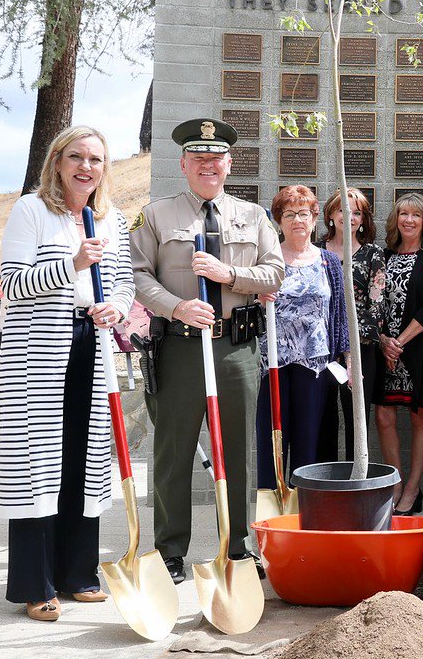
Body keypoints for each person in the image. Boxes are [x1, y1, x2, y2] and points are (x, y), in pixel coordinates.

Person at [130, 118, 284, 584]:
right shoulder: (157, 215)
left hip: (236, 347)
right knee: (174, 452)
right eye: (198, 158)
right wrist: (177, 307)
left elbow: (275, 273)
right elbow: (137, 275)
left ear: (229, 163)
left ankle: (237, 546)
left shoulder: (253, 216)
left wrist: (228, 275)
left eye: (215, 158)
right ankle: (170, 553)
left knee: (238, 452)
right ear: (183, 164)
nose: (207, 165)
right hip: (179, 347)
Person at [0, 125, 134, 621]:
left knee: (83, 459)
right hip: (39, 352)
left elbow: (121, 283)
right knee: (39, 464)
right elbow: (10, 283)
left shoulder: (110, 218)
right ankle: (36, 584)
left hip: (92, 347)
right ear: (57, 162)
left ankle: (79, 574)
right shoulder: (31, 210)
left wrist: (115, 309)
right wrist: (72, 264)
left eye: (96, 159)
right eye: (76, 157)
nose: (86, 167)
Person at [255, 186, 349, 497]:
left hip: (315, 364)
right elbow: (243, 301)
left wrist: (346, 356)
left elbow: (338, 313)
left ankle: (304, 504)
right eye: (289, 214)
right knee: (273, 437)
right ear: (278, 221)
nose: (298, 220)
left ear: (314, 219)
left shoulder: (327, 261)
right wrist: (256, 299)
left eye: (304, 214)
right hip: (273, 364)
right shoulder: (265, 259)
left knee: (309, 439)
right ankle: (271, 503)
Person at [376, 193, 423, 516]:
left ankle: (413, 489)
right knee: (384, 415)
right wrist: (383, 341)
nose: (408, 220)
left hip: (417, 349)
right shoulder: (384, 256)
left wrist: (399, 342)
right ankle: (395, 484)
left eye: (416, 215)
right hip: (385, 350)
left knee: (419, 415)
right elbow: (373, 303)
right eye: (403, 213)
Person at [320, 188, 385, 462]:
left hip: (360, 350)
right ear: (331, 215)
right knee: (323, 417)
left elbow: (377, 304)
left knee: (356, 418)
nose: (350, 216)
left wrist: (351, 345)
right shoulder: (314, 252)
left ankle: (354, 478)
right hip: (319, 348)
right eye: (343, 210)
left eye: (357, 212)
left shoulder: (373, 254)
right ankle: (324, 479)